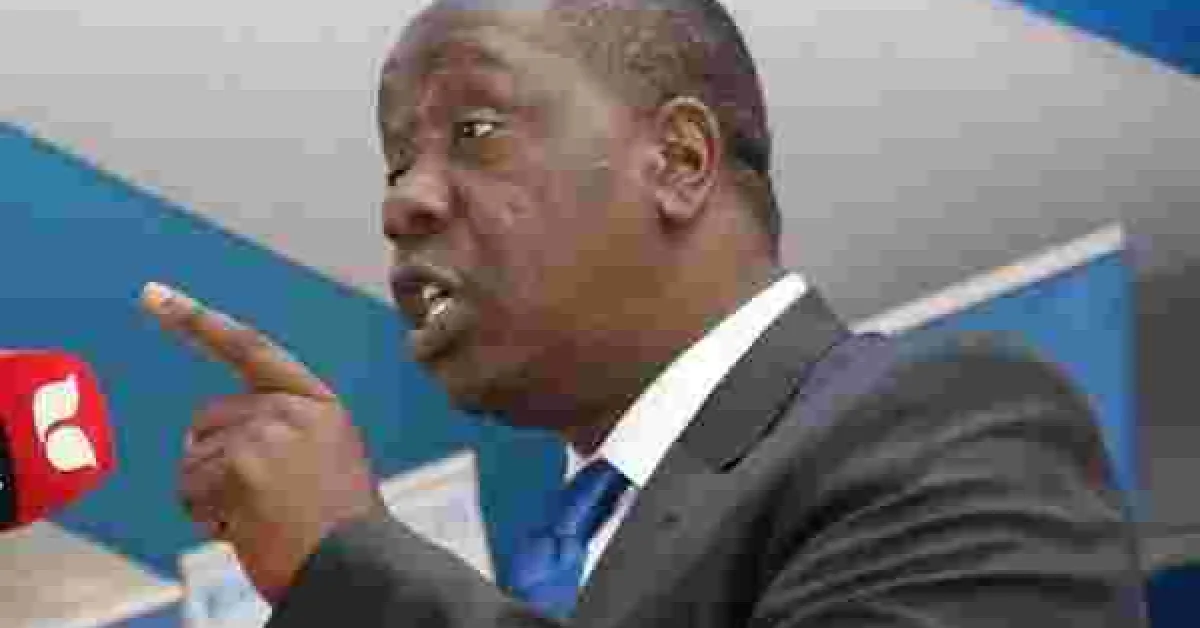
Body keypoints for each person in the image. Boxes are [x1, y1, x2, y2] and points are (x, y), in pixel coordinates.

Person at [139, 0, 1146, 625]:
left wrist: (349, 565)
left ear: (679, 161)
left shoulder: (946, 426)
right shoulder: (556, 557)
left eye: (474, 129)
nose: (404, 202)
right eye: (398, 162)